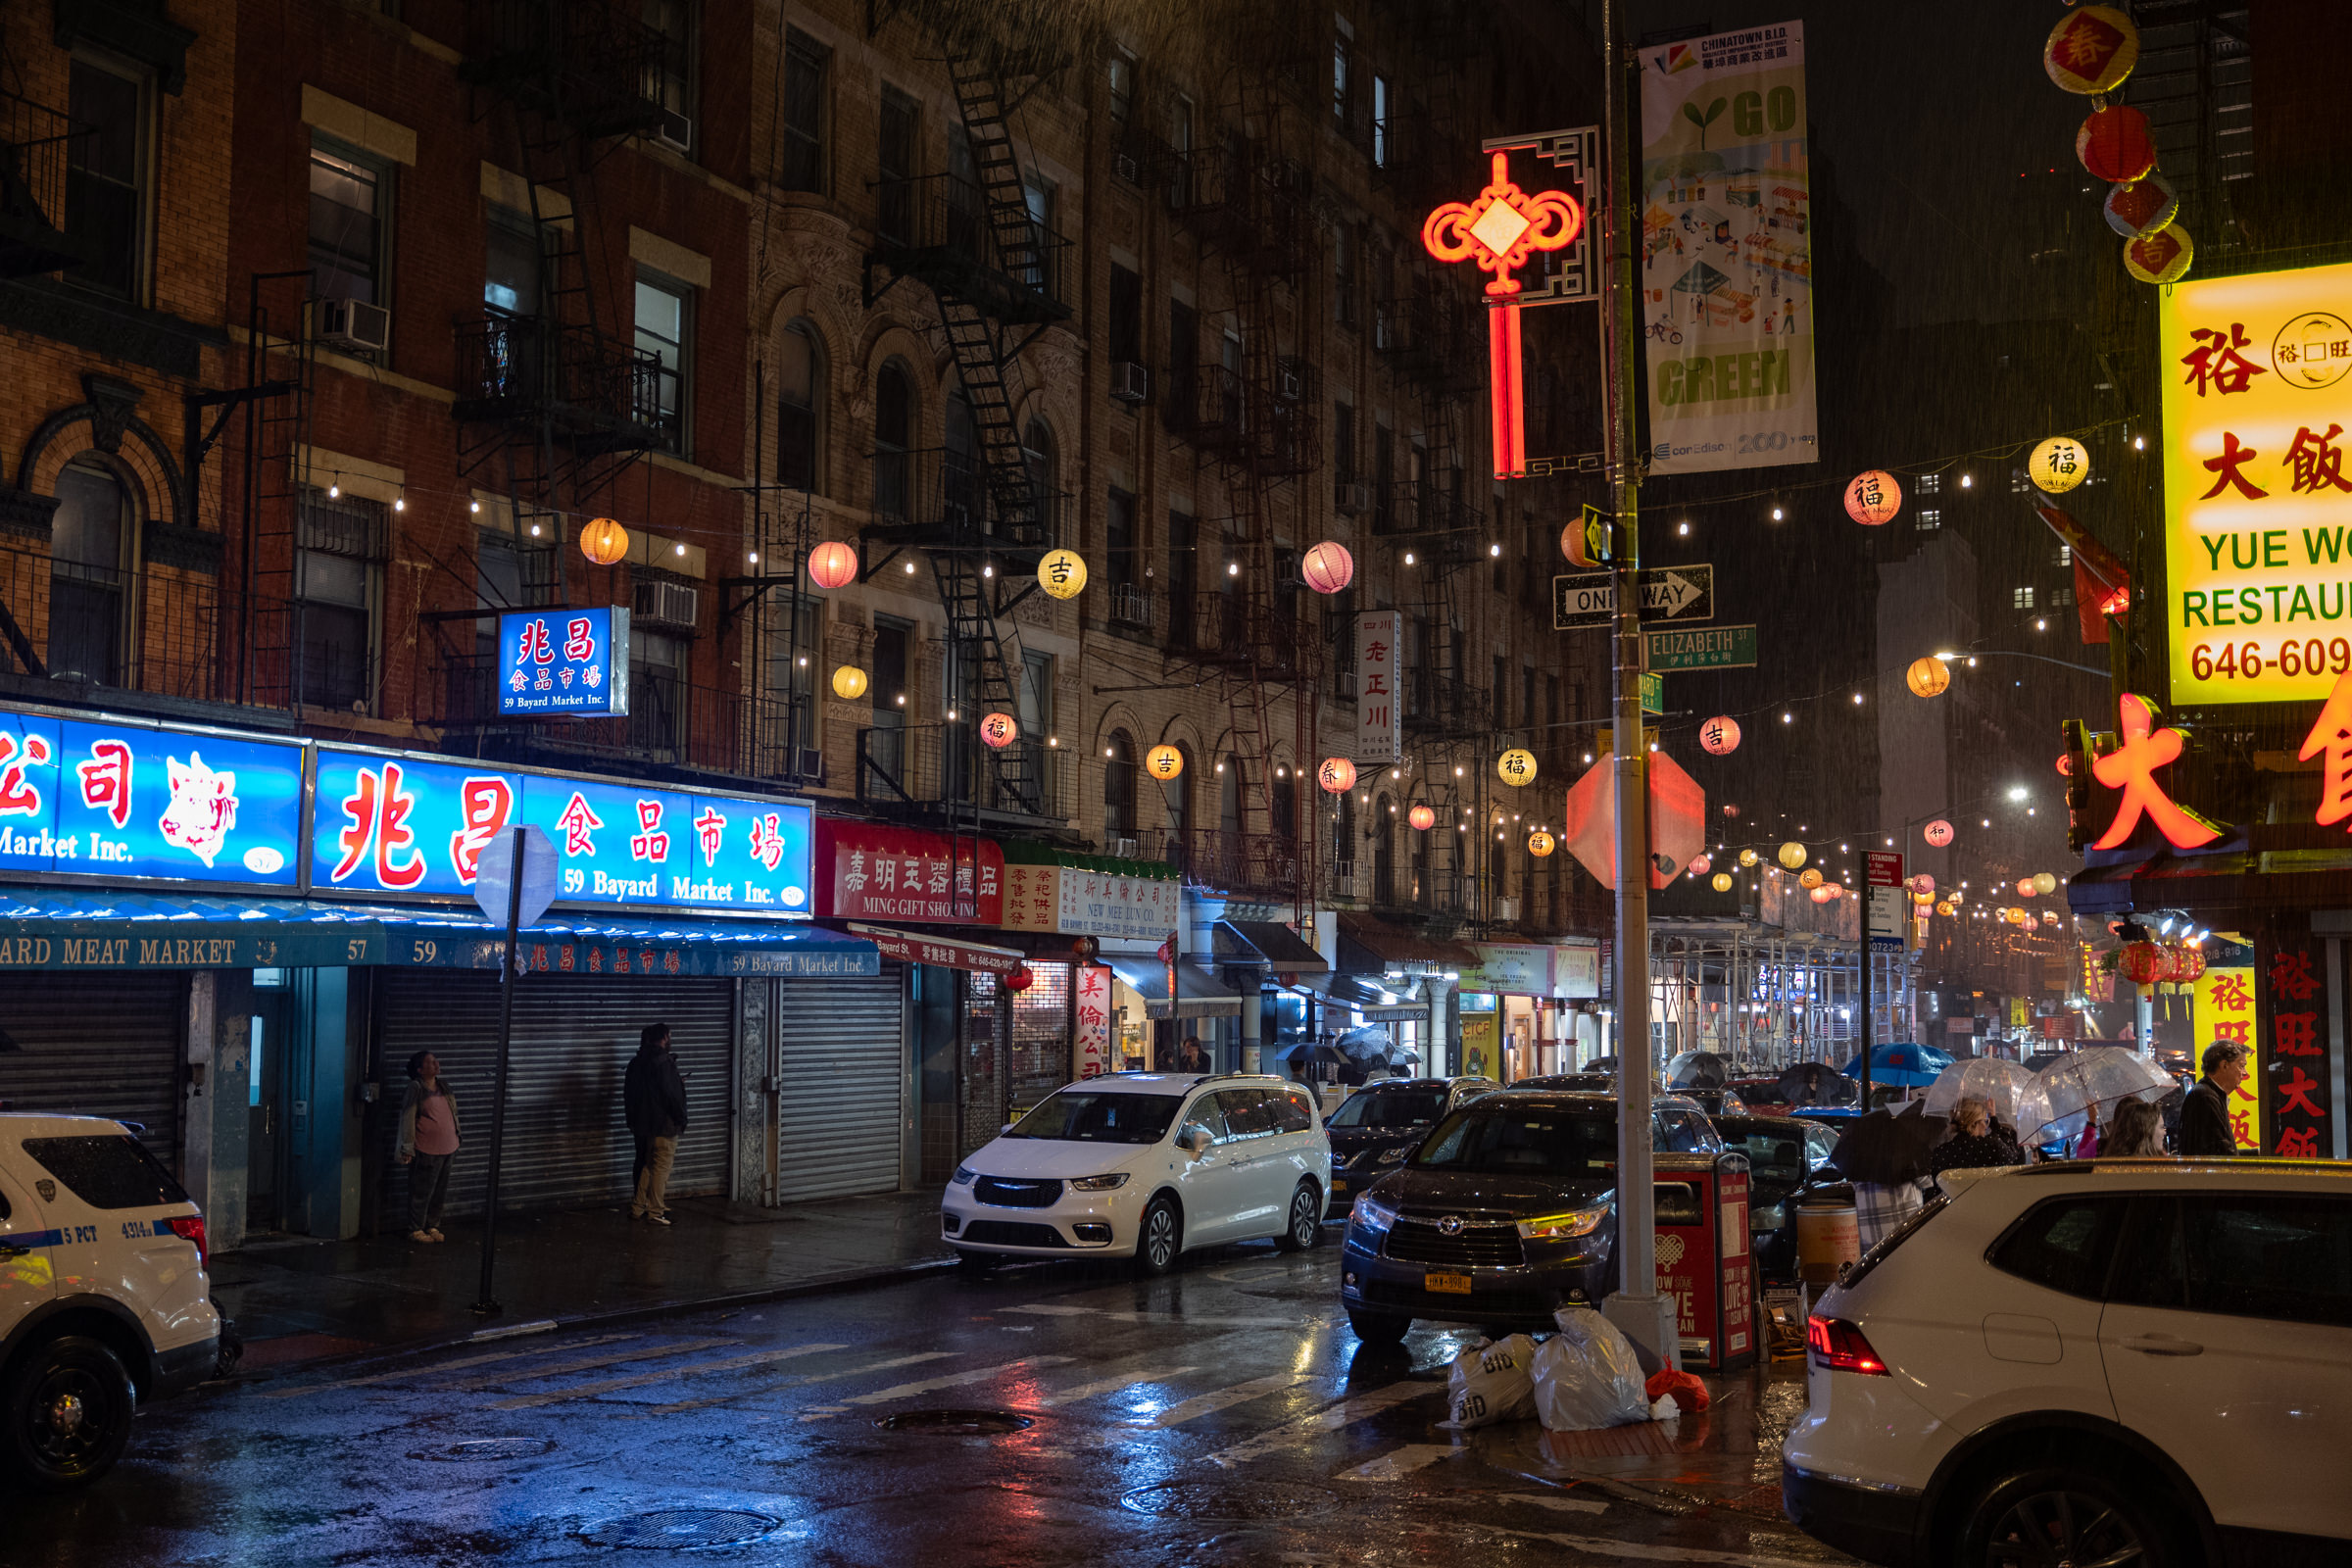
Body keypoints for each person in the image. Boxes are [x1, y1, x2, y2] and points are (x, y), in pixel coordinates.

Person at [623, 1023, 688, 1225]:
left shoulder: (635, 1063)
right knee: (661, 1167)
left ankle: (638, 1207)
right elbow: (671, 1096)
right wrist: (681, 1118)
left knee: (646, 1165)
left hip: (642, 1126)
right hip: (663, 1125)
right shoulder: (663, 1062)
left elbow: (629, 1095)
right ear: (664, 1038)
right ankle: (656, 1210)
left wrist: (633, 1121)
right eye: (669, 1036)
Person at [396, 1051, 461, 1244]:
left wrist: (457, 1135)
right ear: (420, 1069)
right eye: (430, 1062)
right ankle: (415, 1229)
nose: (436, 1064)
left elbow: (453, 1112)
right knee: (421, 1192)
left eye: (435, 1061)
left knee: (440, 1191)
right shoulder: (416, 1088)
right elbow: (407, 1117)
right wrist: (407, 1147)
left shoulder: (443, 1086)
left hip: (448, 1147)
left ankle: (432, 1225)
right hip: (426, 1148)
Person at [1927, 1096, 2028, 1178]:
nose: (1985, 1125)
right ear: (1975, 1123)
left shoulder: (1941, 1152)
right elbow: (2013, 1156)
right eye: (1985, 1121)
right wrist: (1994, 1120)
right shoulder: (1991, 1146)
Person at [2178, 1041, 2248, 1156]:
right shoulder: (2206, 1097)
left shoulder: (2208, 1093)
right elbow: (2220, 1151)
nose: (2245, 1073)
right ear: (2224, 1065)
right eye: (2241, 1066)